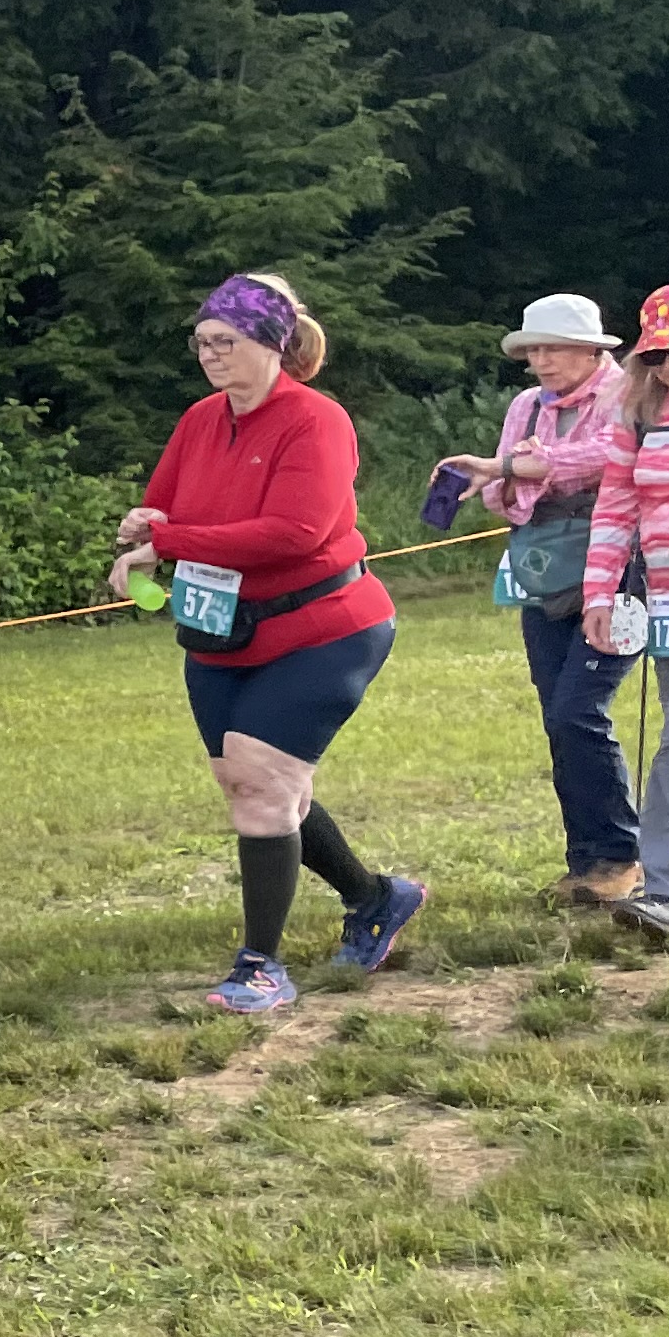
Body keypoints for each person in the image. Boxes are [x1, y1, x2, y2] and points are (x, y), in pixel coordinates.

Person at [109, 277, 420, 1011]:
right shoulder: (200, 418)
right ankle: (377, 897)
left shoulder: (317, 420)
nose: (210, 355)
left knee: (258, 784)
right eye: (202, 343)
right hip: (222, 629)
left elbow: (295, 532)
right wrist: (146, 530)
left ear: (274, 344)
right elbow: (168, 506)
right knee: (258, 786)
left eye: (226, 342)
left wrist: (170, 541)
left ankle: (260, 969)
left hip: (325, 627)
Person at [441, 295, 631, 906]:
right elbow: (503, 490)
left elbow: (609, 456)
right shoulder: (526, 405)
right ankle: (585, 862)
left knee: (578, 710)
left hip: (622, 571)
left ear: (591, 350)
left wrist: (523, 466)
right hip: (544, 570)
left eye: (553, 348)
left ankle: (618, 855)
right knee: (557, 715)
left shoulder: (629, 395)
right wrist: (504, 478)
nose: (541, 361)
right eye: (532, 350)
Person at [582, 287, 669, 938]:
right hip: (668, 607)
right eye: (657, 355)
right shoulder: (639, 417)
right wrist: (600, 595)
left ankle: (668, 890)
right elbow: (616, 509)